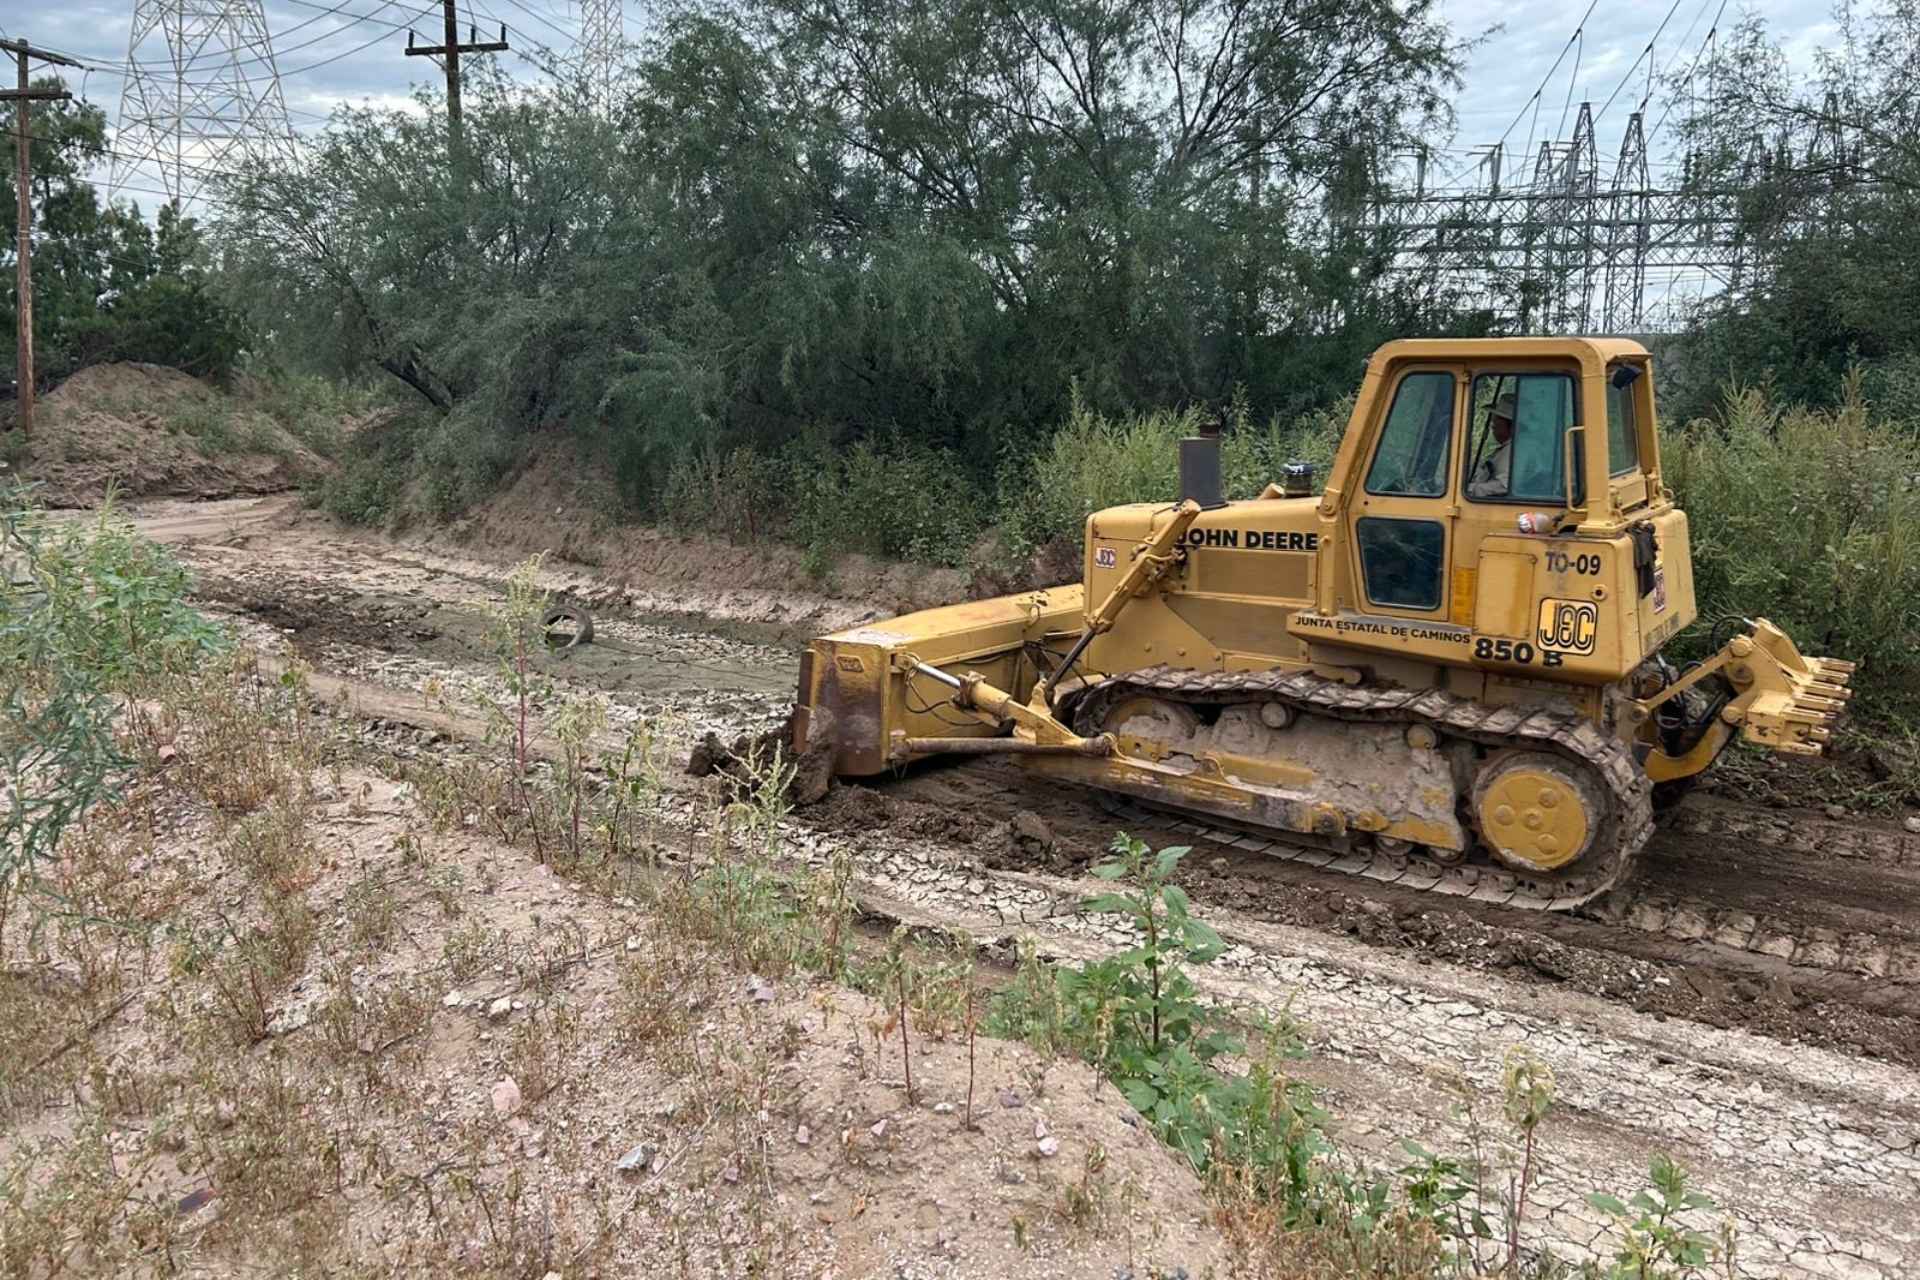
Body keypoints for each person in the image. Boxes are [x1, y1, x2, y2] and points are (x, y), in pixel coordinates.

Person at [1468, 392, 1516, 498]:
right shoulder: (1506, 449)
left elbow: (1505, 486)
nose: (1493, 425)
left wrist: (1472, 489)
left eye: (1497, 421)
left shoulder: (1515, 452)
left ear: (1511, 425)